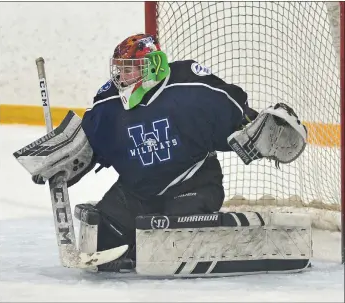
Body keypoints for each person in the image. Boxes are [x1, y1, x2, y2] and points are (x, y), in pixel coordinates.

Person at [32, 33, 306, 272]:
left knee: (173, 238)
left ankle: (155, 246)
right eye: (119, 69)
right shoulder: (109, 104)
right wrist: (62, 165)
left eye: (129, 69)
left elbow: (238, 120)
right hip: (137, 192)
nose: (121, 77)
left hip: (193, 184)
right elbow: (90, 147)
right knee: (104, 235)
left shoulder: (192, 87)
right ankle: (136, 250)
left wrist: (258, 130)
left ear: (151, 67)